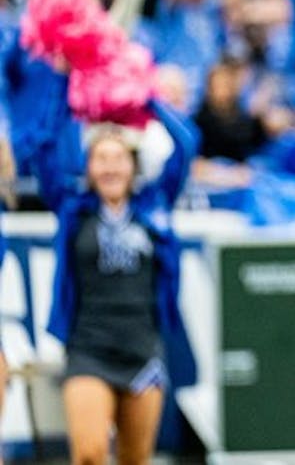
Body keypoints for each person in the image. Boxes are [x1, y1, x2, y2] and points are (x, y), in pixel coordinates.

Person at [25, 68, 197, 465]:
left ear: (132, 165)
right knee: (88, 455)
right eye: (100, 159)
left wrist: (145, 99)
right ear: (89, 168)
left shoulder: (154, 206)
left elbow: (186, 144)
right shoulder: (73, 210)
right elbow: (43, 147)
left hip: (142, 352)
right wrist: (63, 85)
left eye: (118, 159)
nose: (110, 168)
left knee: (136, 459)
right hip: (88, 350)